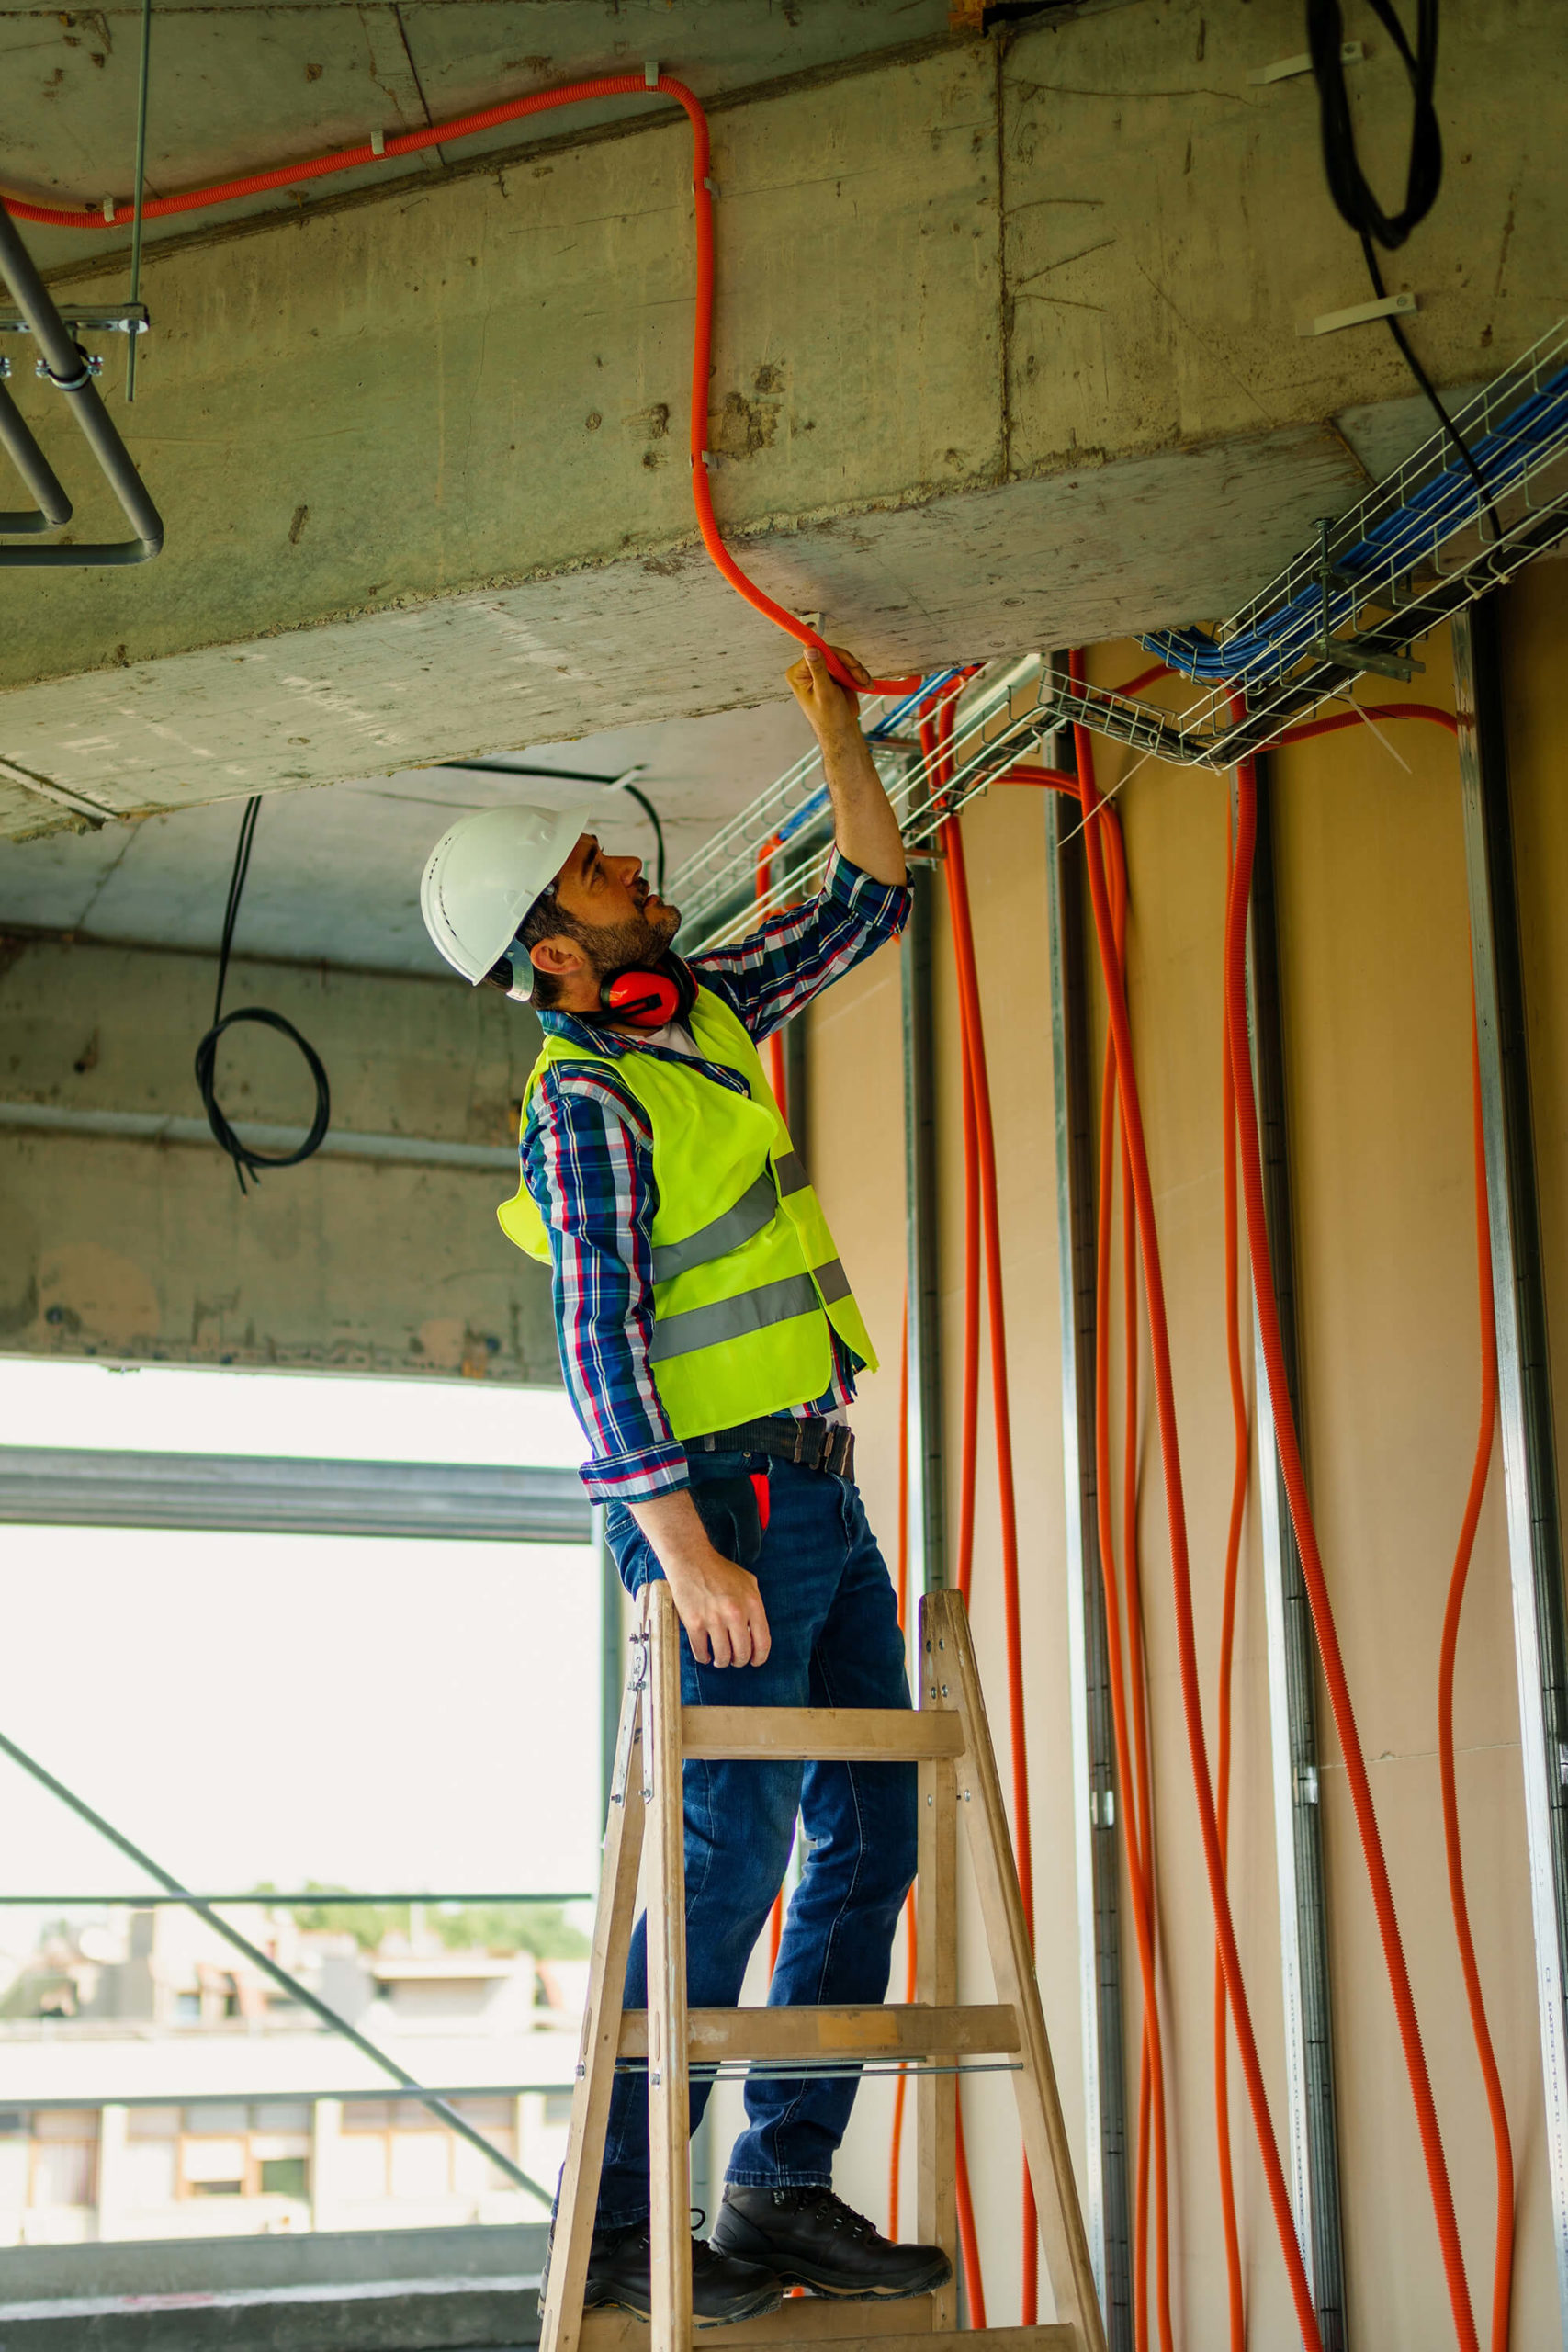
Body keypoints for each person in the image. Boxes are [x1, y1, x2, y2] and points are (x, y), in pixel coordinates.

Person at [420, 646, 950, 2324]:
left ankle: (784, 2185)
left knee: (877, 1823)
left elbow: (872, 895)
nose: (634, 858)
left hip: (819, 1487)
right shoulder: (582, 1098)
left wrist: (836, 733)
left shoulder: (698, 1014)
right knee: (724, 1860)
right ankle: (637, 2225)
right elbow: (595, 1334)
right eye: (598, 871)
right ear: (564, 956)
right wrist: (680, 1553)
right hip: (722, 1509)